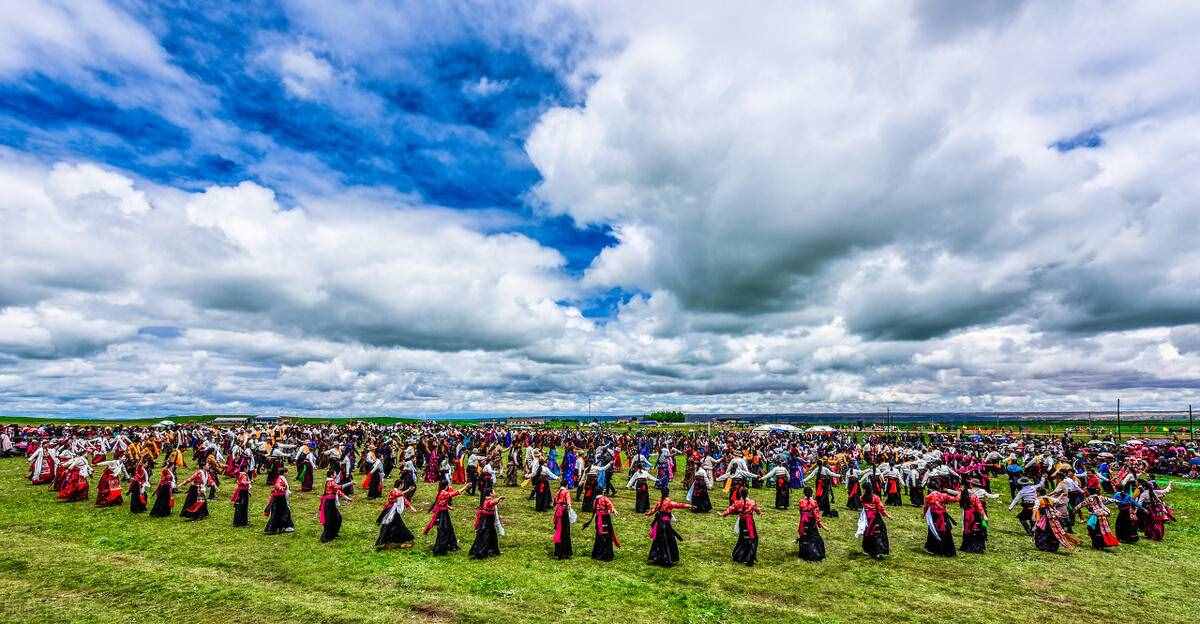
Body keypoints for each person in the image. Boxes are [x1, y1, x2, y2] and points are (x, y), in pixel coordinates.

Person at [646, 494, 692, 567]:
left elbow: (653, 510)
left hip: (659, 524)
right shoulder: (669, 502)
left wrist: (648, 514)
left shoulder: (660, 502)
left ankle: (656, 557)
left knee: (658, 541)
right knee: (668, 540)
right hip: (665, 525)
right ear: (668, 494)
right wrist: (690, 505)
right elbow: (680, 505)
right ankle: (667, 559)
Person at [721, 492, 762, 566]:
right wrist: (759, 513)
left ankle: (739, 555)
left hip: (742, 522)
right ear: (747, 494)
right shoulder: (751, 502)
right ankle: (748, 558)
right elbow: (757, 509)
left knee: (743, 537)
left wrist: (724, 514)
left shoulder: (737, 503)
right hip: (749, 522)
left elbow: (731, 509)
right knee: (752, 539)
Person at [375, 481, 416, 550]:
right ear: (400, 485)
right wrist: (408, 490)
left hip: (393, 511)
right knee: (398, 525)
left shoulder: (398, 492)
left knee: (393, 525)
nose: (403, 486)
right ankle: (406, 538)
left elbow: (403, 498)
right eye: (402, 484)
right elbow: (398, 495)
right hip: (392, 511)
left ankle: (389, 541)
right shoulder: (394, 491)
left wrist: (410, 506)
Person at [425, 485, 463, 555]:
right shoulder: (444, 493)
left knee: (448, 528)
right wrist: (466, 486)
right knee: (444, 529)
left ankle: (450, 544)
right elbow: (456, 493)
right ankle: (441, 547)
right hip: (443, 514)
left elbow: (441, 502)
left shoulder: (441, 492)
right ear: (446, 486)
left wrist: (448, 507)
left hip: (443, 513)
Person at [583, 494, 619, 561]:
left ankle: (597, 554)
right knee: (607, 536)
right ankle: (606, 555)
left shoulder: (595, 500)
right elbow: (610, 505)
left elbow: (594, 508)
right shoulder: (604, 498)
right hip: (605, 519)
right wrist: (613, 510)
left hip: (598, 519)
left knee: (599, 536)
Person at [857, 486, 890, 559]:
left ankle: (867, 550)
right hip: (875, 518)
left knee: (867, 534)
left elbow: (862, 506)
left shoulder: (862, 498)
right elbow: (880, 508)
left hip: (867, 519)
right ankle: (879, 551)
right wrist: (888, 515)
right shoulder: (875, 498)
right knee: (878, 534)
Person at [318, 473, 352, 542]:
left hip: (331, 503)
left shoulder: (330, 481)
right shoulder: (331, 482)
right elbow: (339, 487)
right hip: (329, 504)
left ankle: (334, 533)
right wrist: (350, 483)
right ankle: (326, 537)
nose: (335, 474)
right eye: (334, 473)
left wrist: (347, 498)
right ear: (331, 475)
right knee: (330, 520)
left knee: (338, 518)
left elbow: (338, 491)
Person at [922, 489, 957, 557]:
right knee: (946, 532)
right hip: (943, 516)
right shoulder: (944, 495)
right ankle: (948, 551)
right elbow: (955, 499)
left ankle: (934, 549)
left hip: (934, 517)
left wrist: (923, 515)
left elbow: (925, 507)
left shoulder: (928, 497)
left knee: (933, 531)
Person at [469, 493, 504, 559]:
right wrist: (499, 498)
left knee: (491, 536)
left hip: (488, 522)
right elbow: (492, 502)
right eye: (493, 492)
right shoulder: (488, 501)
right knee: (486, 537)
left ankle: (492, 550)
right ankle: (482, 552)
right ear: (490, 494)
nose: (494, 493)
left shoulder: (485, 500)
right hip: (487, 522)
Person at [796, 487, 825, 561]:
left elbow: (801, 512)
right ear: (812, 493)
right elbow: (816, 514)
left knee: (804, 536)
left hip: (803, 522)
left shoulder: (801, 502)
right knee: (814, 537)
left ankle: (804, 554)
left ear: (804, 493)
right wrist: (819, 522)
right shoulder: (814, 502)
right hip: (811, 522)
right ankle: (815, 553)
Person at [551, 487, 575, 559]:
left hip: (558, 512)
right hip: (564, 513)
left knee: (559, 531)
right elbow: (568, 502)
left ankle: (558, 552)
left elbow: (554, 502)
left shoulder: (558, 492)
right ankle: (565, 552)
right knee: (565, 532)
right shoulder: (566, 492)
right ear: (566, 485)